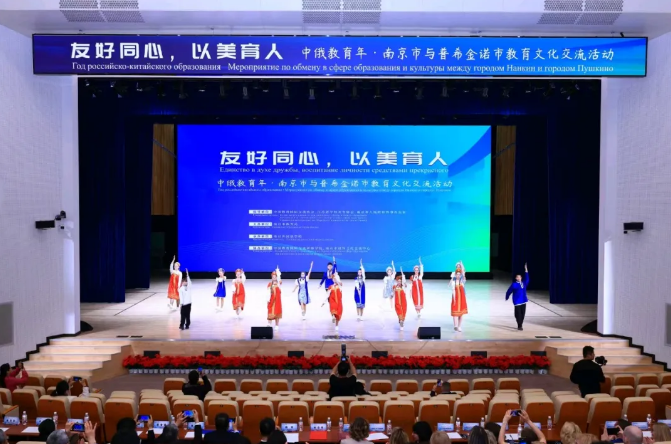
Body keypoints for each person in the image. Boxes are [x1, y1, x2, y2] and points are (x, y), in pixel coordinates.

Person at [505, 263, 529, 331]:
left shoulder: (524, 283)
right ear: (516, 278)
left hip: (523, 300)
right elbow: (509, 291)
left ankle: (520, 323)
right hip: (517, 301)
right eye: (517, 277)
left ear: (521, 278)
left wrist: (526, 270)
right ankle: (519, 325)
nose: (518, 278)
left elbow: (527, 279)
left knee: (522, 314)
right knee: (518, 314)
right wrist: (507, 296)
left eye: (519, 277)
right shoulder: (514, 284)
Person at [450, 265, 468, 332]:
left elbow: (463, 272)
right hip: (456, 298)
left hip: (462, 298)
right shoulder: (454, 282)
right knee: (455, 312)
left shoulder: (462, 281)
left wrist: (462, 265)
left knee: (461, 313)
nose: (458, 275)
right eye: (457, 274)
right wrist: (454, 299)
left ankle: (459, 326)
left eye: (459, 274)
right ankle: (455, 326)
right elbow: (452, 289)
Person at [267, 267, 283, 331]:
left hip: (277, 301)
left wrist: (278, 273)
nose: (274, 278)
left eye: (275, 276)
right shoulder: (269, 284)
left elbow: (280, 280)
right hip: (271, 300)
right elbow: (267, 292)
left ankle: (276, 325)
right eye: (273, 276)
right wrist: (267, 300)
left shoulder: (278, 283)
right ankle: (269, 323)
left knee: (277, 312)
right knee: (270, 311)